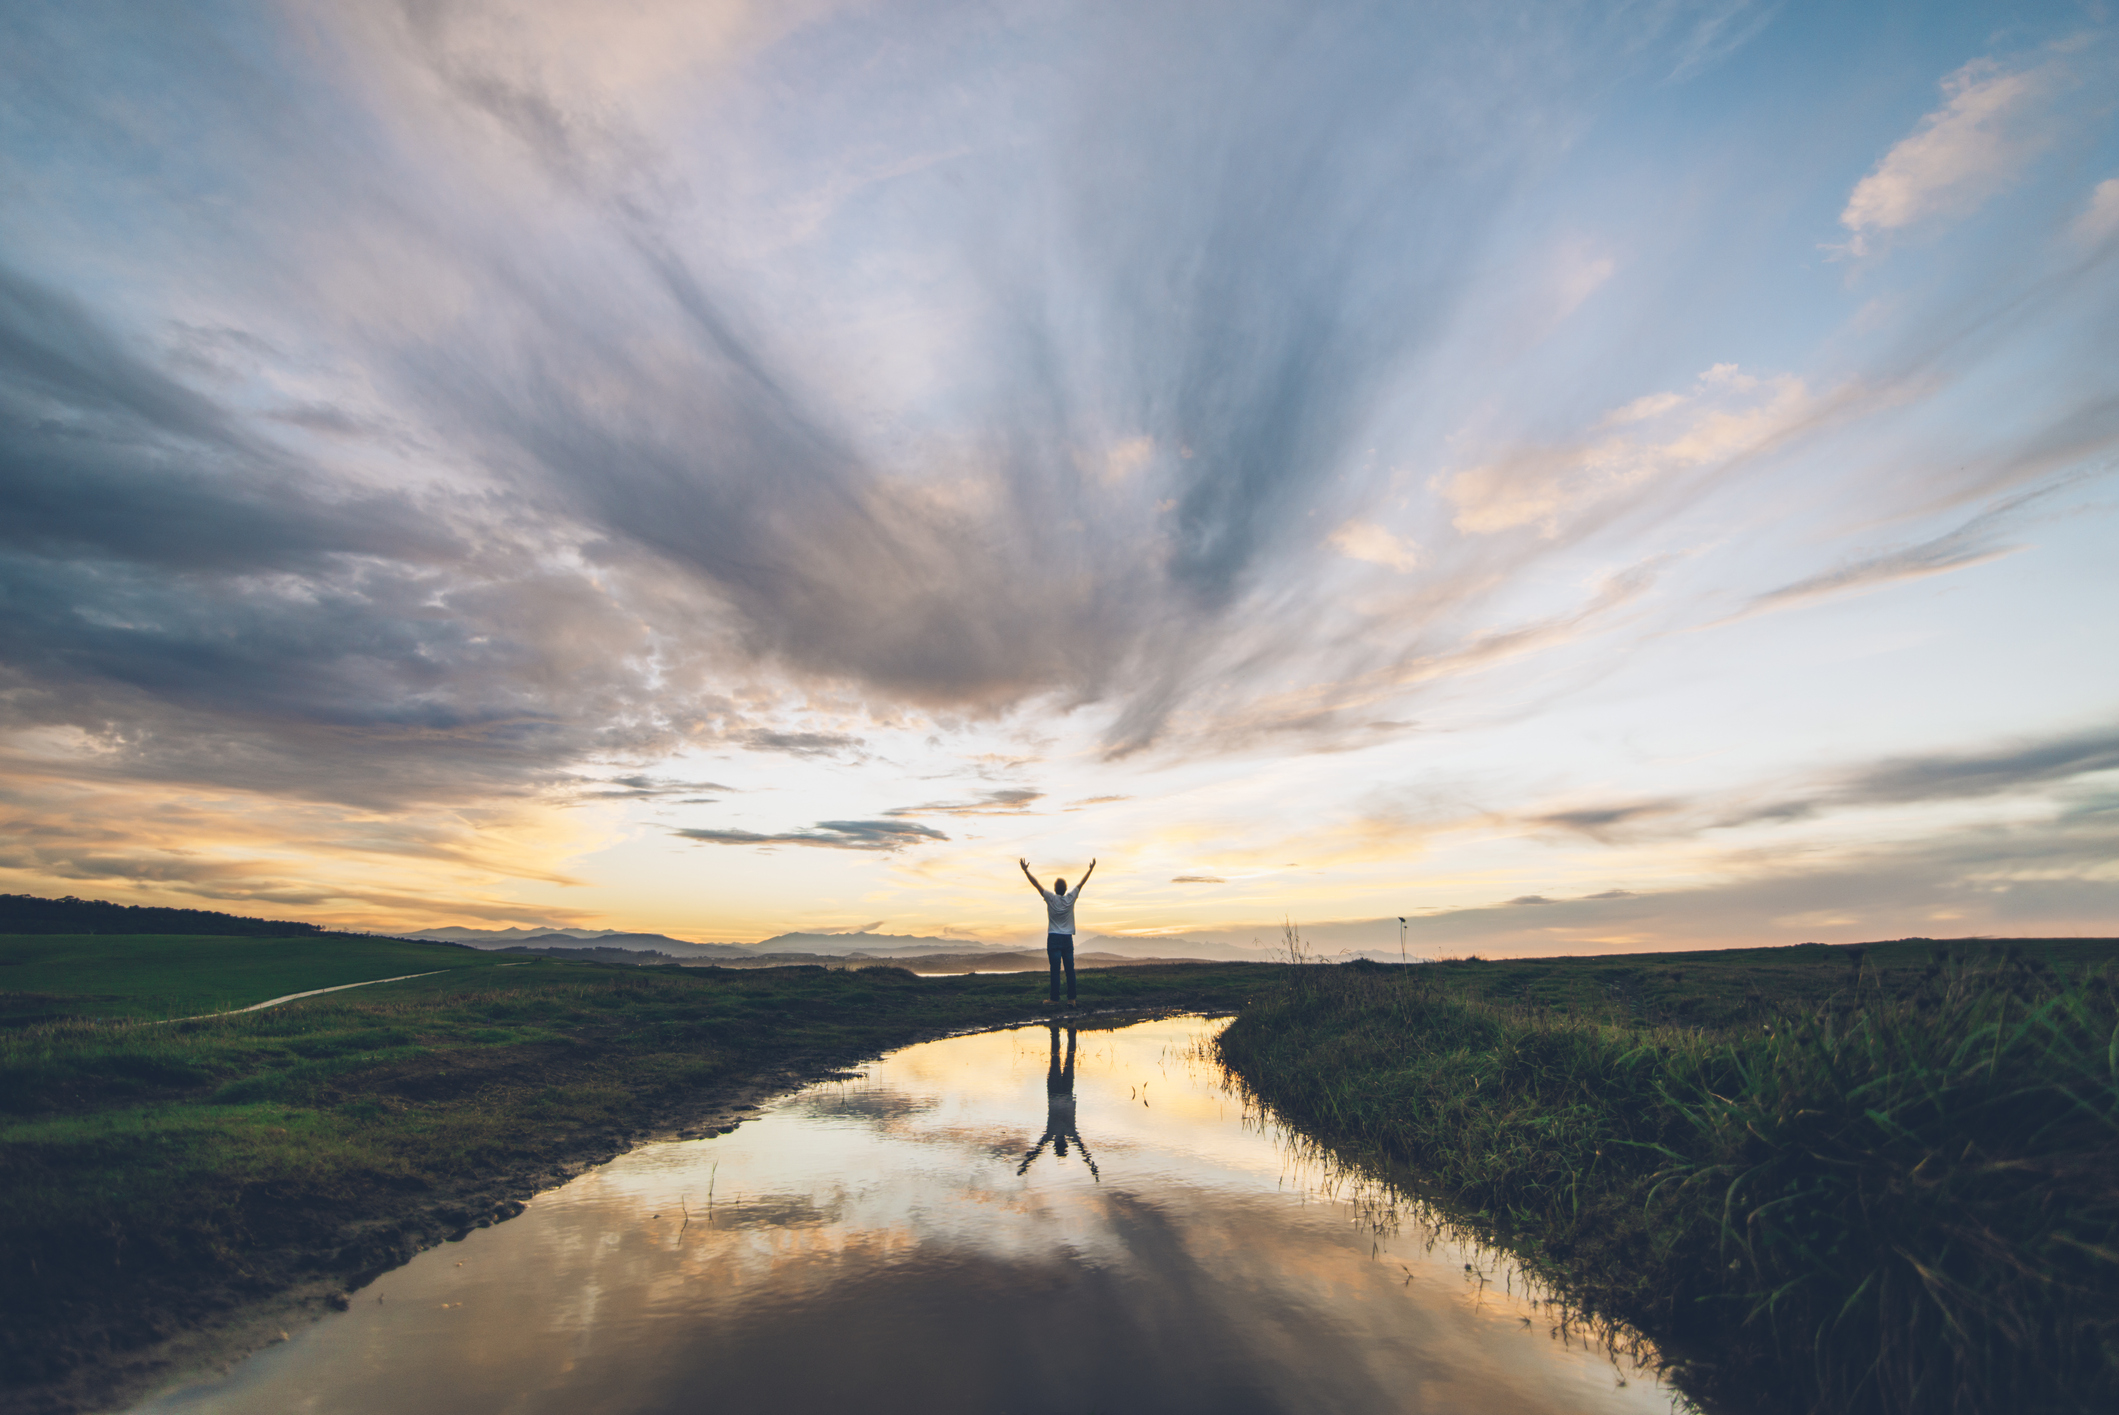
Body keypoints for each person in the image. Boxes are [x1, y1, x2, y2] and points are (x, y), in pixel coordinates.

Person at [1018, 856, 1094, 1008]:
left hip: (1053, 938)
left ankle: (1055, 998)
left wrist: (1026, 871)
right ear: (1066, 889)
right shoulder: (1070, 898)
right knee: (1070, 970)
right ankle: (1071, 999)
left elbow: (1036, 884)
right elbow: (1082, 883)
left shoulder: (1050, 898)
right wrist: (1090, 869)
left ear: (1054, 888)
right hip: (1067, 938)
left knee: (1055, 970)